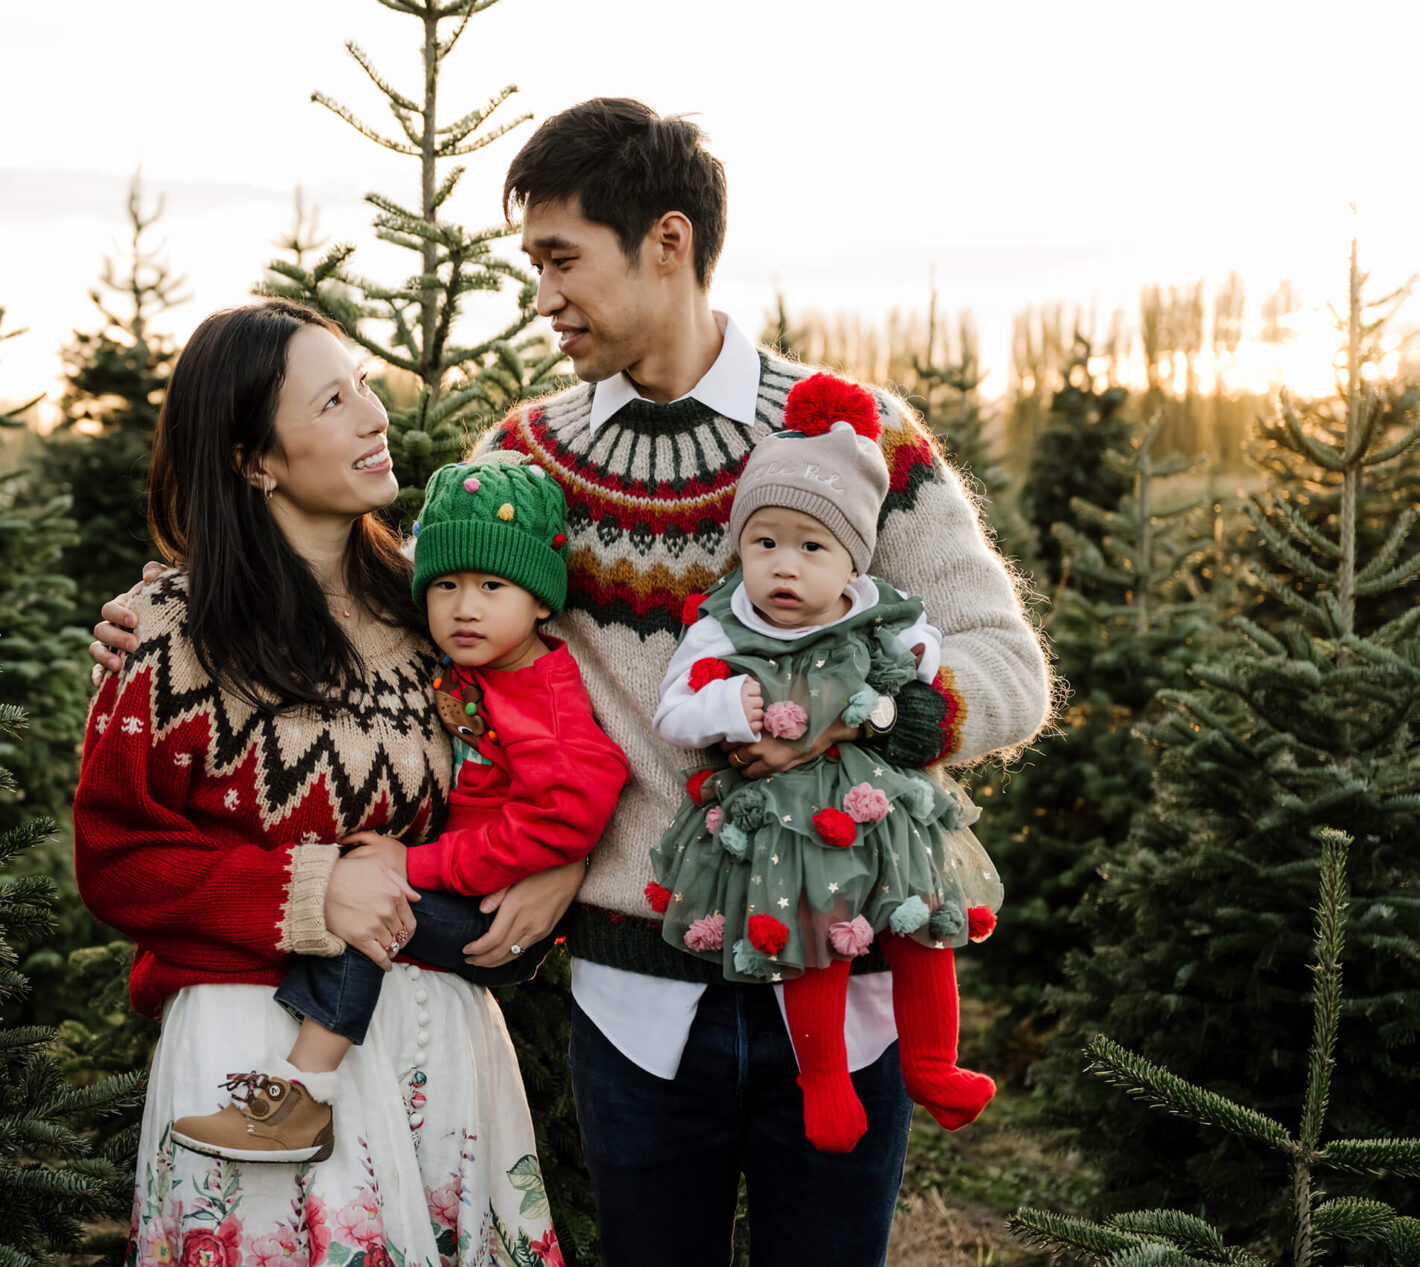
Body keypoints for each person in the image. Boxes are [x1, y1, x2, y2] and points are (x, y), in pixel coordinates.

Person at [91, 100, 1052, 1266]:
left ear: (666, 242)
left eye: (561, 259)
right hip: (634, 1010)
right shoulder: (523, 458)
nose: (540, 296)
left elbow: (1006, 668)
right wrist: (169, 612)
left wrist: (841, 719)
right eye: (530, 263)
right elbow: (390, 617)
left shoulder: (849, 439)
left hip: (842, 998)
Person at [73, 299, 564, 1265]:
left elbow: (566, 736)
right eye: (332, 402)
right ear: (253, 459)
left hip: (437, 1048)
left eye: (364, 386)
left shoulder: (441, 610)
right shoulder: (171, 634)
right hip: (256, 1055)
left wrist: (560, 867)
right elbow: (116, 863)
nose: (374, 416)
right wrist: (310, 889)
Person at [169, 456, 629, 1165]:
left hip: (495, 912)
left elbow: (565, 816)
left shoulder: (546, 697)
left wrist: (417, 864)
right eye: (446, 585)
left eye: (492, 586)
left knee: (369, 910)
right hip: (468, 889)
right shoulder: (481, 664)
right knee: (361, 897)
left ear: (541, 601)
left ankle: (300, 1099)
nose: (465, 607)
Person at [649, 372, 1002, 1156]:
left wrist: (896, 687)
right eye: (764, 543)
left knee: (922, 924)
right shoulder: (724, 625)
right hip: (786, 826)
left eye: (811, 547)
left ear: (851, 561)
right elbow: (672, 710)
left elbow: (923, 653)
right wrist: (727, 704)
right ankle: (824, 1078)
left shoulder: (876, 609)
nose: (784, 566)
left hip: (880, 813)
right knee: (811, 936)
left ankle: (933, 1063)